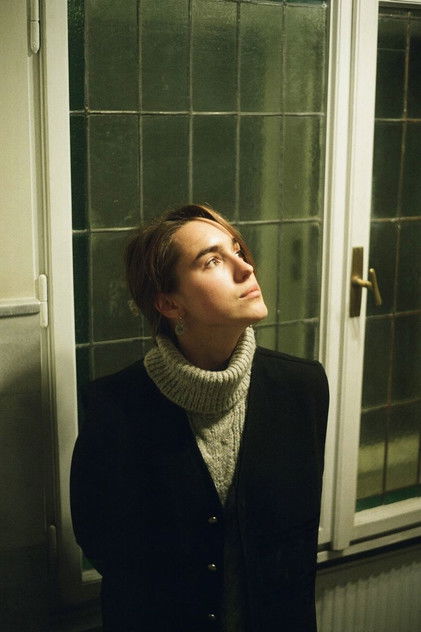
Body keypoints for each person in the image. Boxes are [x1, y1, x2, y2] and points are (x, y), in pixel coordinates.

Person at [70, 203, 329, 632]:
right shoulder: (115, 408)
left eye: (238, 251)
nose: (246, 268)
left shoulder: (302, 388)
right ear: (169, 303)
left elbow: (296, 540)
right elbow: (106, 546)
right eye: (212, 260)